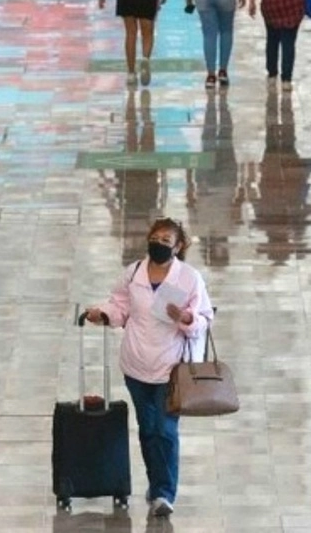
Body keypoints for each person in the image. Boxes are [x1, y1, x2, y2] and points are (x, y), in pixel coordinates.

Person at [84, 218, 214, 519]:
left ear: (178, 246)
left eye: (166, 239)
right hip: (137, 365)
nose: (158, 243)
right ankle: (157, 480)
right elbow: (120, 306)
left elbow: (205, 320)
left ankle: (164, 493)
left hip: (171, 369)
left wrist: (185, 317)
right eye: (155, 237)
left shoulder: (189, 279)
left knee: (165, 429)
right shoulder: (133, 274)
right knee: (147, 429)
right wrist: (101, 313)